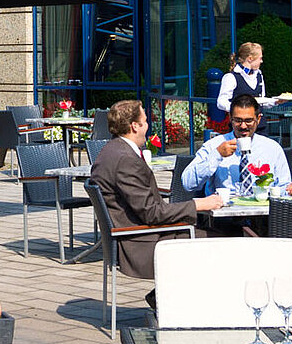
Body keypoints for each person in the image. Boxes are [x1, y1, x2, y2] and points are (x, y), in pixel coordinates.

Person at [91, 99, 222, 283]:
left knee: (218, 233)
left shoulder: (111, 150)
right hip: (142, 245)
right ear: (135, 126)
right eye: (145, 121)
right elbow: (152, 213)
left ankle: (166, 298)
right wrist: (199, 204)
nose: (148, 126)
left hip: (138, 236)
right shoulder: (125, 160)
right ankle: (171, 300)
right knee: (225, 242)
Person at [180, 94, 292, 199]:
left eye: (249, 120)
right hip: (224, 217)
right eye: (238, 120)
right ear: (230, 119)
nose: (243, 126)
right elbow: (187, 183)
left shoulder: (272, 148)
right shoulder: (214, 145)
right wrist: (216, 155)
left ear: (258, 119)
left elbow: (283, 186)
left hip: (263, 217)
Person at [209, 42, 284, 130]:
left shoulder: (259, 74)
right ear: (250, 59)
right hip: (241, 128)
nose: (262, 61)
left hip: (260, 126)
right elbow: (221, 102)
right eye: (260, 58)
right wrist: (239, 109)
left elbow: (262, 100)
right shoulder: (231, 77)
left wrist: (276, 101)